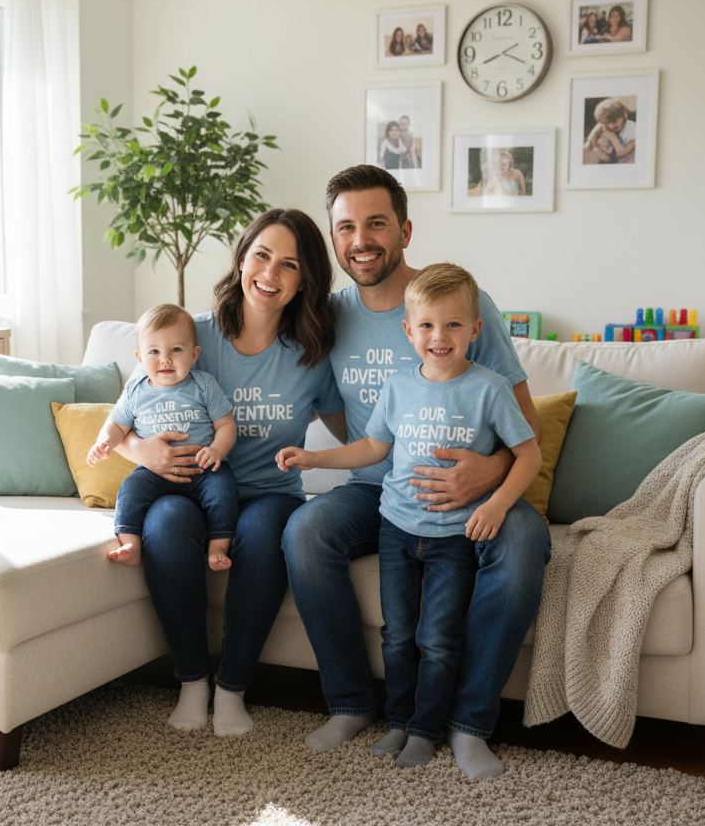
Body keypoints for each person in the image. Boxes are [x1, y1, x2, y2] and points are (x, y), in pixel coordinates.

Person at [281, 165, 550, 780]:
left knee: (526, 541)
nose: (361, 239)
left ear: (404, 228)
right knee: (304, 531)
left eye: (376, 223)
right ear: (333, 238)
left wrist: (486, 475)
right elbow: (349, 428)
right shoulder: (328, 316)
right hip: (380, 494)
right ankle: (351, 702)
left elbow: (524, 429)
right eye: (345, 227)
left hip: (472, 492)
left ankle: (467, 722)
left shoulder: (459, 304)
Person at [116, 208, 341, 738]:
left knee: (263, 536)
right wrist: (140, 452)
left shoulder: (311, 352)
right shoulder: (186, 334)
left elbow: (356, 431)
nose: (271, 273)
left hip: (269, 491)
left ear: (305, 278)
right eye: (261, 255)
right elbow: (125, 417)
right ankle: (192, 681)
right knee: (166, 526)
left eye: (290, 264)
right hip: (185, 486)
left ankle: (233, 687)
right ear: (241, 259)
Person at [88, 303, 238, 572]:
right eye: (154, 352)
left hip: (203, 469)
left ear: (194, 354)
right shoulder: (135, 390)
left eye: (175, 350)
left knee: (224, 492)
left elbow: (226, 424)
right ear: (139, 357)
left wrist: (217, 450)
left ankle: (218, 547)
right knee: (130, 490)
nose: (165, 359)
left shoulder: (203, 384)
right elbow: (116, 425)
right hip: (153, 472)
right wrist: (104, 442)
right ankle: (130, 544)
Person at [587, 98, 636, 164]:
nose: (611, 126)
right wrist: (633, 144)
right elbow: (620, 152)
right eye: (607, 124)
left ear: (623, 115)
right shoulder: (607, 131)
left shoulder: (633, 128)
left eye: (614, 121)